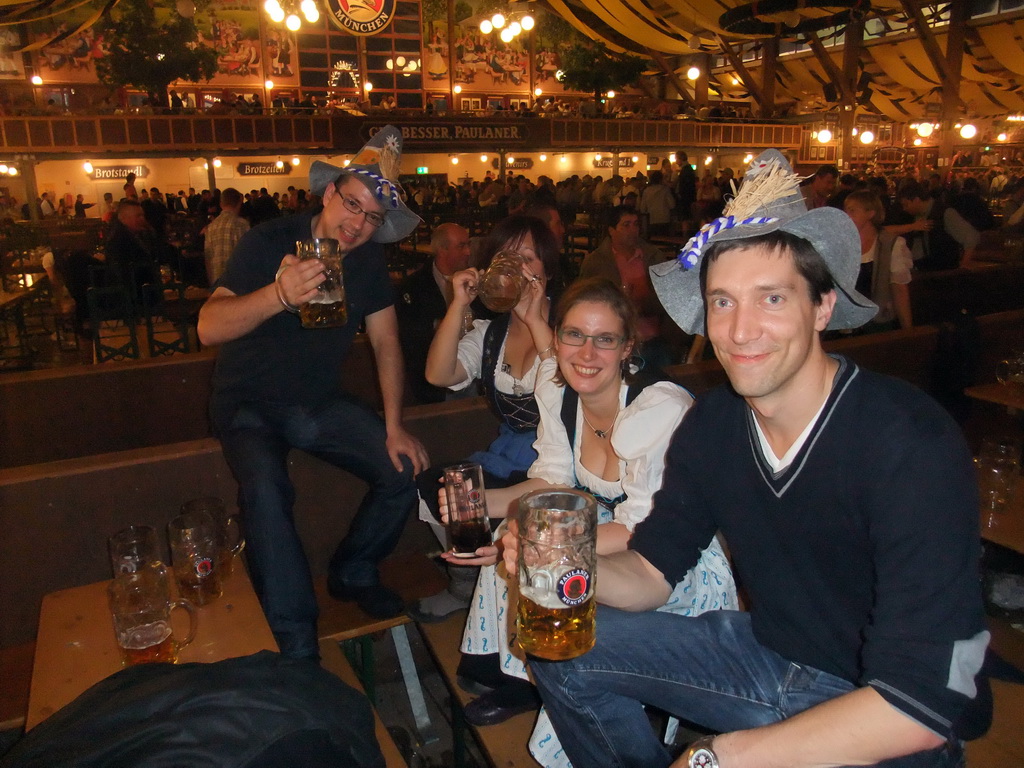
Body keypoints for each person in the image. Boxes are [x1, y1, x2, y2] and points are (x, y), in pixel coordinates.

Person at [506, 150, 989, 768]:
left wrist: (720, 756)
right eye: (723, 302)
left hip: (880, 711)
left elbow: (920, 705)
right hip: (767, 656)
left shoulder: (908, 441)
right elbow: (654, 570)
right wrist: (569, 571)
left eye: (772, 299)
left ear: (822, 307)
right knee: (555, 647)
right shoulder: (713, 425)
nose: (740, 330)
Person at [442, 278, 734, 742]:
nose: (586, 352)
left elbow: (644, 527)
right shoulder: (556, 387)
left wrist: (540, 545)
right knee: (521, 530)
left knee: (544, 564)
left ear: (627, 348)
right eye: (574, 335)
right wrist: (475, 504)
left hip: (671, 556)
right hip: (603, 525)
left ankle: (595, 713)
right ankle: (524, 680)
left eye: (605, 339)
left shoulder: (658, 407)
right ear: (556, 339)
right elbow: (551, 479)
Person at [197, 126, 429, 660]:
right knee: (267, 491)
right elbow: (209, 326)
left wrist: (394, 424)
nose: (358, 224)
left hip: (316, 403)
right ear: (329, 193)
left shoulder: (367, 261)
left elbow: (387, 342)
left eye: (372, 217)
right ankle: (296, 640)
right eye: (353, 205)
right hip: (247, 402)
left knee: (401, 471)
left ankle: (352, 570)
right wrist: (278, 294)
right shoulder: (268, 242)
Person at [407, 215, 560, 624]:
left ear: (545, 269)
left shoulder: (571, 325)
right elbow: (438, 374)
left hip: (559, 462)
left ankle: (503, 598)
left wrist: (536, 321)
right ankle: (468, 586)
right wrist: (459, 302)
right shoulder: (491, 332)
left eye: (527, 257)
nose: (517, 267)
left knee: (491, 510)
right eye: (506, 257)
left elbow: (568, 390)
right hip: (508, 453)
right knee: (439, 485)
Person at [580, 206, 675, 368]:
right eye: (626, 225)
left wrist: (641, 303)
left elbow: (671, 299)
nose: (633, 230)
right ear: (611, 230)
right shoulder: (597, 262)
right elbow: (583, 301)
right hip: (614, 342)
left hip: (652, 340)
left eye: (636, 224)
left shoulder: (653, 257)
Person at [396, 222, 474, 405]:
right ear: (441, 250)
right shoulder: (413, 288)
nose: (469, 252)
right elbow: (409, 337)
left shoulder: (477, 281)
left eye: (468, 244)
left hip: (475, 374)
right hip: (435, 384)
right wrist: (443, 327)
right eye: (462, 246)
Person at [843, 189, 912, 331]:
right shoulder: (842, 242)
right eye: (846, 210)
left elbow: (899, 290)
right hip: (846, 324)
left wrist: (908, 330)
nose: (846, 215)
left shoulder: (891, 244)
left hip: (878, 323)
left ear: (870, 213)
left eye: (852, 210)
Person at [895, 181, 979, 270]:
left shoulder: (945, 213)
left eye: (906, 204)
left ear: (916, 200)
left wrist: (964, 265)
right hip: (924, 269)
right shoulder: (916, 215)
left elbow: (971, 237)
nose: (904, 209)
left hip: (942, 271)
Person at [203, 187, 250, 285]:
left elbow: (208, 257)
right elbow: (248, 254)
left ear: (221, 204)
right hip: (238, 280)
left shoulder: (211, 227)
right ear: (239, 203)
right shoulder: (242, 224)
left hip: (217, 281)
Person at [640, 170, 675, 238]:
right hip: (665, 219)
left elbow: (643, 208)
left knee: (654, 241)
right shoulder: (665, 190)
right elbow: (672, 205)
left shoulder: (646, 191)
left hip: (652, 219)